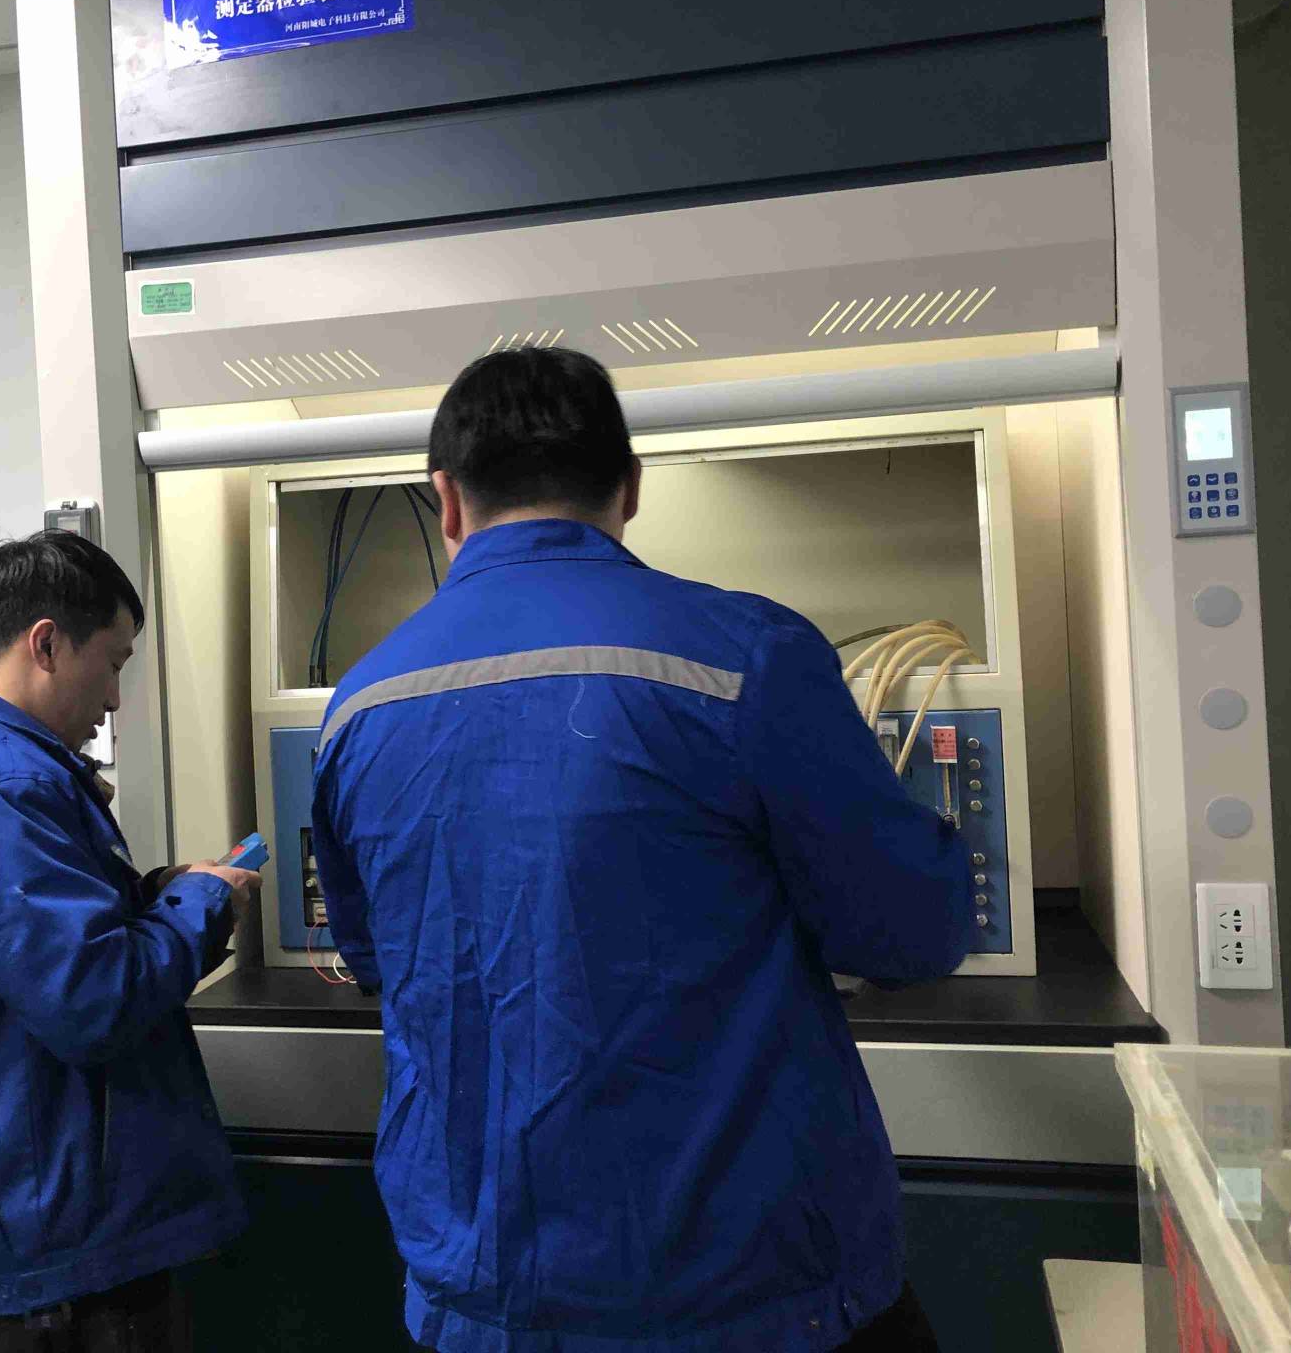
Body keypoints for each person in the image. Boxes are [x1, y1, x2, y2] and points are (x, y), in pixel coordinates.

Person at [311, 349, 973, 1353]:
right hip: (748, 1294)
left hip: (484, 1299)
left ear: (444, 499)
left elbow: (371, 956)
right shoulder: (746, 657)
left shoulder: (359, 705)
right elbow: (911, 934)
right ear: (630, 485)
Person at [0, 531, 258, 1352]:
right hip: (58, 1258)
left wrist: (154, 893)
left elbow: (35, 949)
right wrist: (201, 904)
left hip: (22, 1218)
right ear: (45, 644)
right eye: (113, 664)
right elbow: (95, 1001)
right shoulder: (1, 788)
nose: (115, 698)